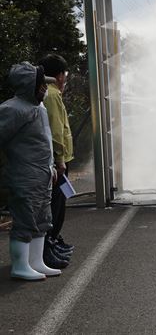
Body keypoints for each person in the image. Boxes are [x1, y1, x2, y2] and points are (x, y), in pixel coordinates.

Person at [0, 62, 61, 280]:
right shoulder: (13, 109)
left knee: (42, 219)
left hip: (41, 174)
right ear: (29, 85)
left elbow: (45, 141)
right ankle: (20, 265)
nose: (45, 88)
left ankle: (36, 262)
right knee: (25, 221)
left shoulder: (38, 107)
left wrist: (51, 165)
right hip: (24, 175)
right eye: (41, 84)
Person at [38, 54, 74, 267]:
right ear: (59, 75)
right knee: (54, 205)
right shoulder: (51, 95)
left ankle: (53, 241)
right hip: (58, 161)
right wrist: (59, 159)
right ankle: (48, 245)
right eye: (65, 74)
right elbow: (55, 131)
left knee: (59, 203)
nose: (65, 78)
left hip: (61, 159)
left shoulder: (50, 93)